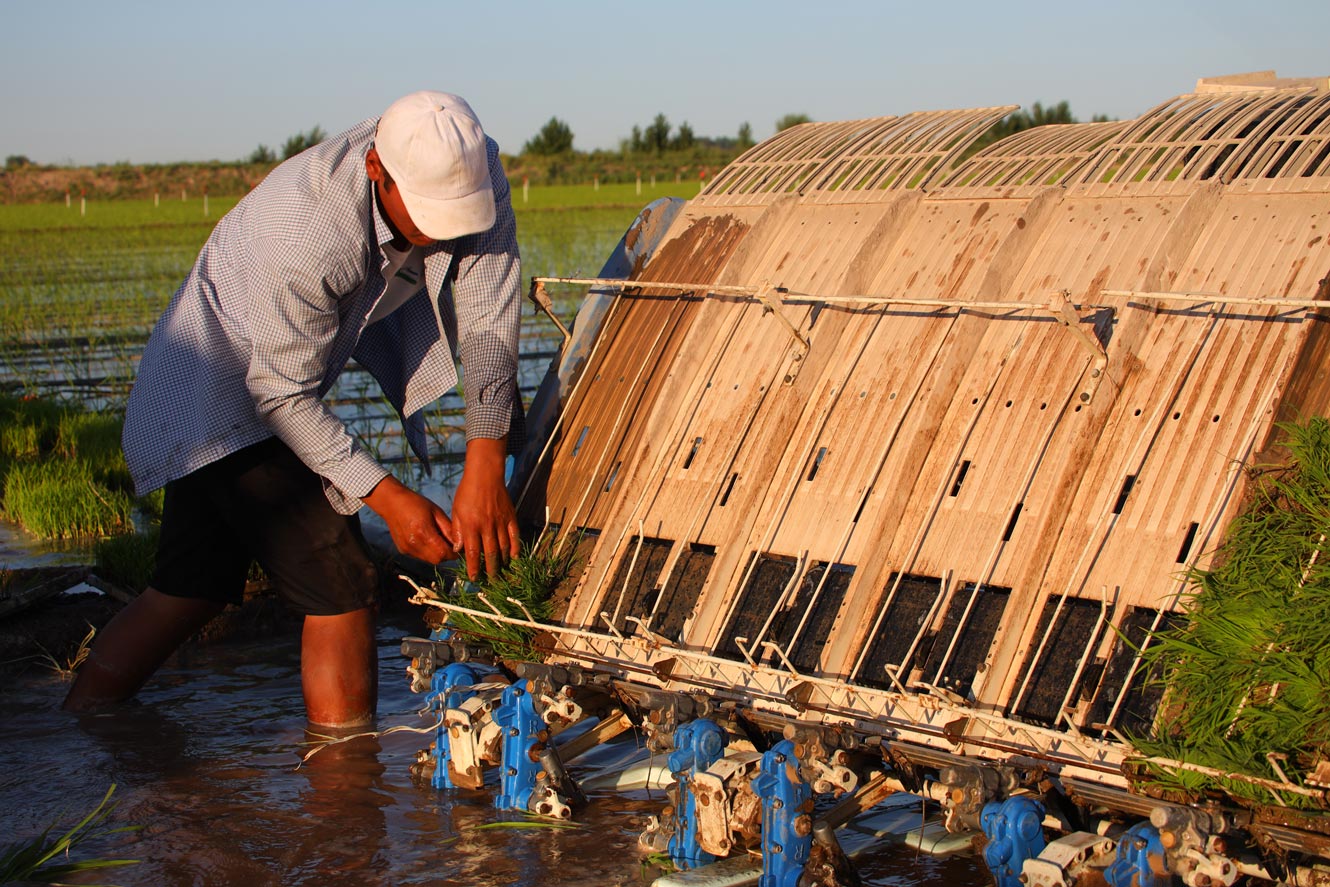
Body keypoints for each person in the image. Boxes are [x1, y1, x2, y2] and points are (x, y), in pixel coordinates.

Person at [63, 91, 523, 728]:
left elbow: (489, 317)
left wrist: (484, 462)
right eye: (426, 217)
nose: (443, 234)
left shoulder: (475, 166)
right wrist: (389, 499)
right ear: (375, 172)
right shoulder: (310, 232)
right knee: (342, 584)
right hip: (219, 391)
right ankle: (344, 791)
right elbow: (278, 394)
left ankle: (83, 723)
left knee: (190, 588)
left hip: (272, 381)